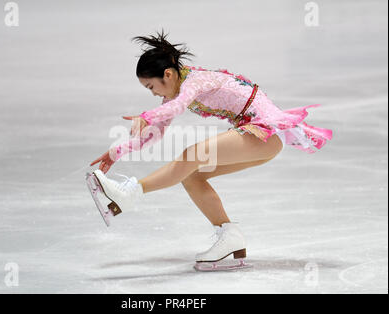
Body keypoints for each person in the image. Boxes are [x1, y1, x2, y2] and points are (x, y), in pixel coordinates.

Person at [89, 29, 333, 264]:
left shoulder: (194, 81)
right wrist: (115, 152)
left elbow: (178, 107)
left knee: (194, 154)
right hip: (256, 138)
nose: (152, 94)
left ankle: (128, 194)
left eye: (151, 86)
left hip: (263, 133)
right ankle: (230, 236)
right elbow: (154, 134)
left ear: (168, 74)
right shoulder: (171, 95)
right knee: (192, 176)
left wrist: (147, 115)